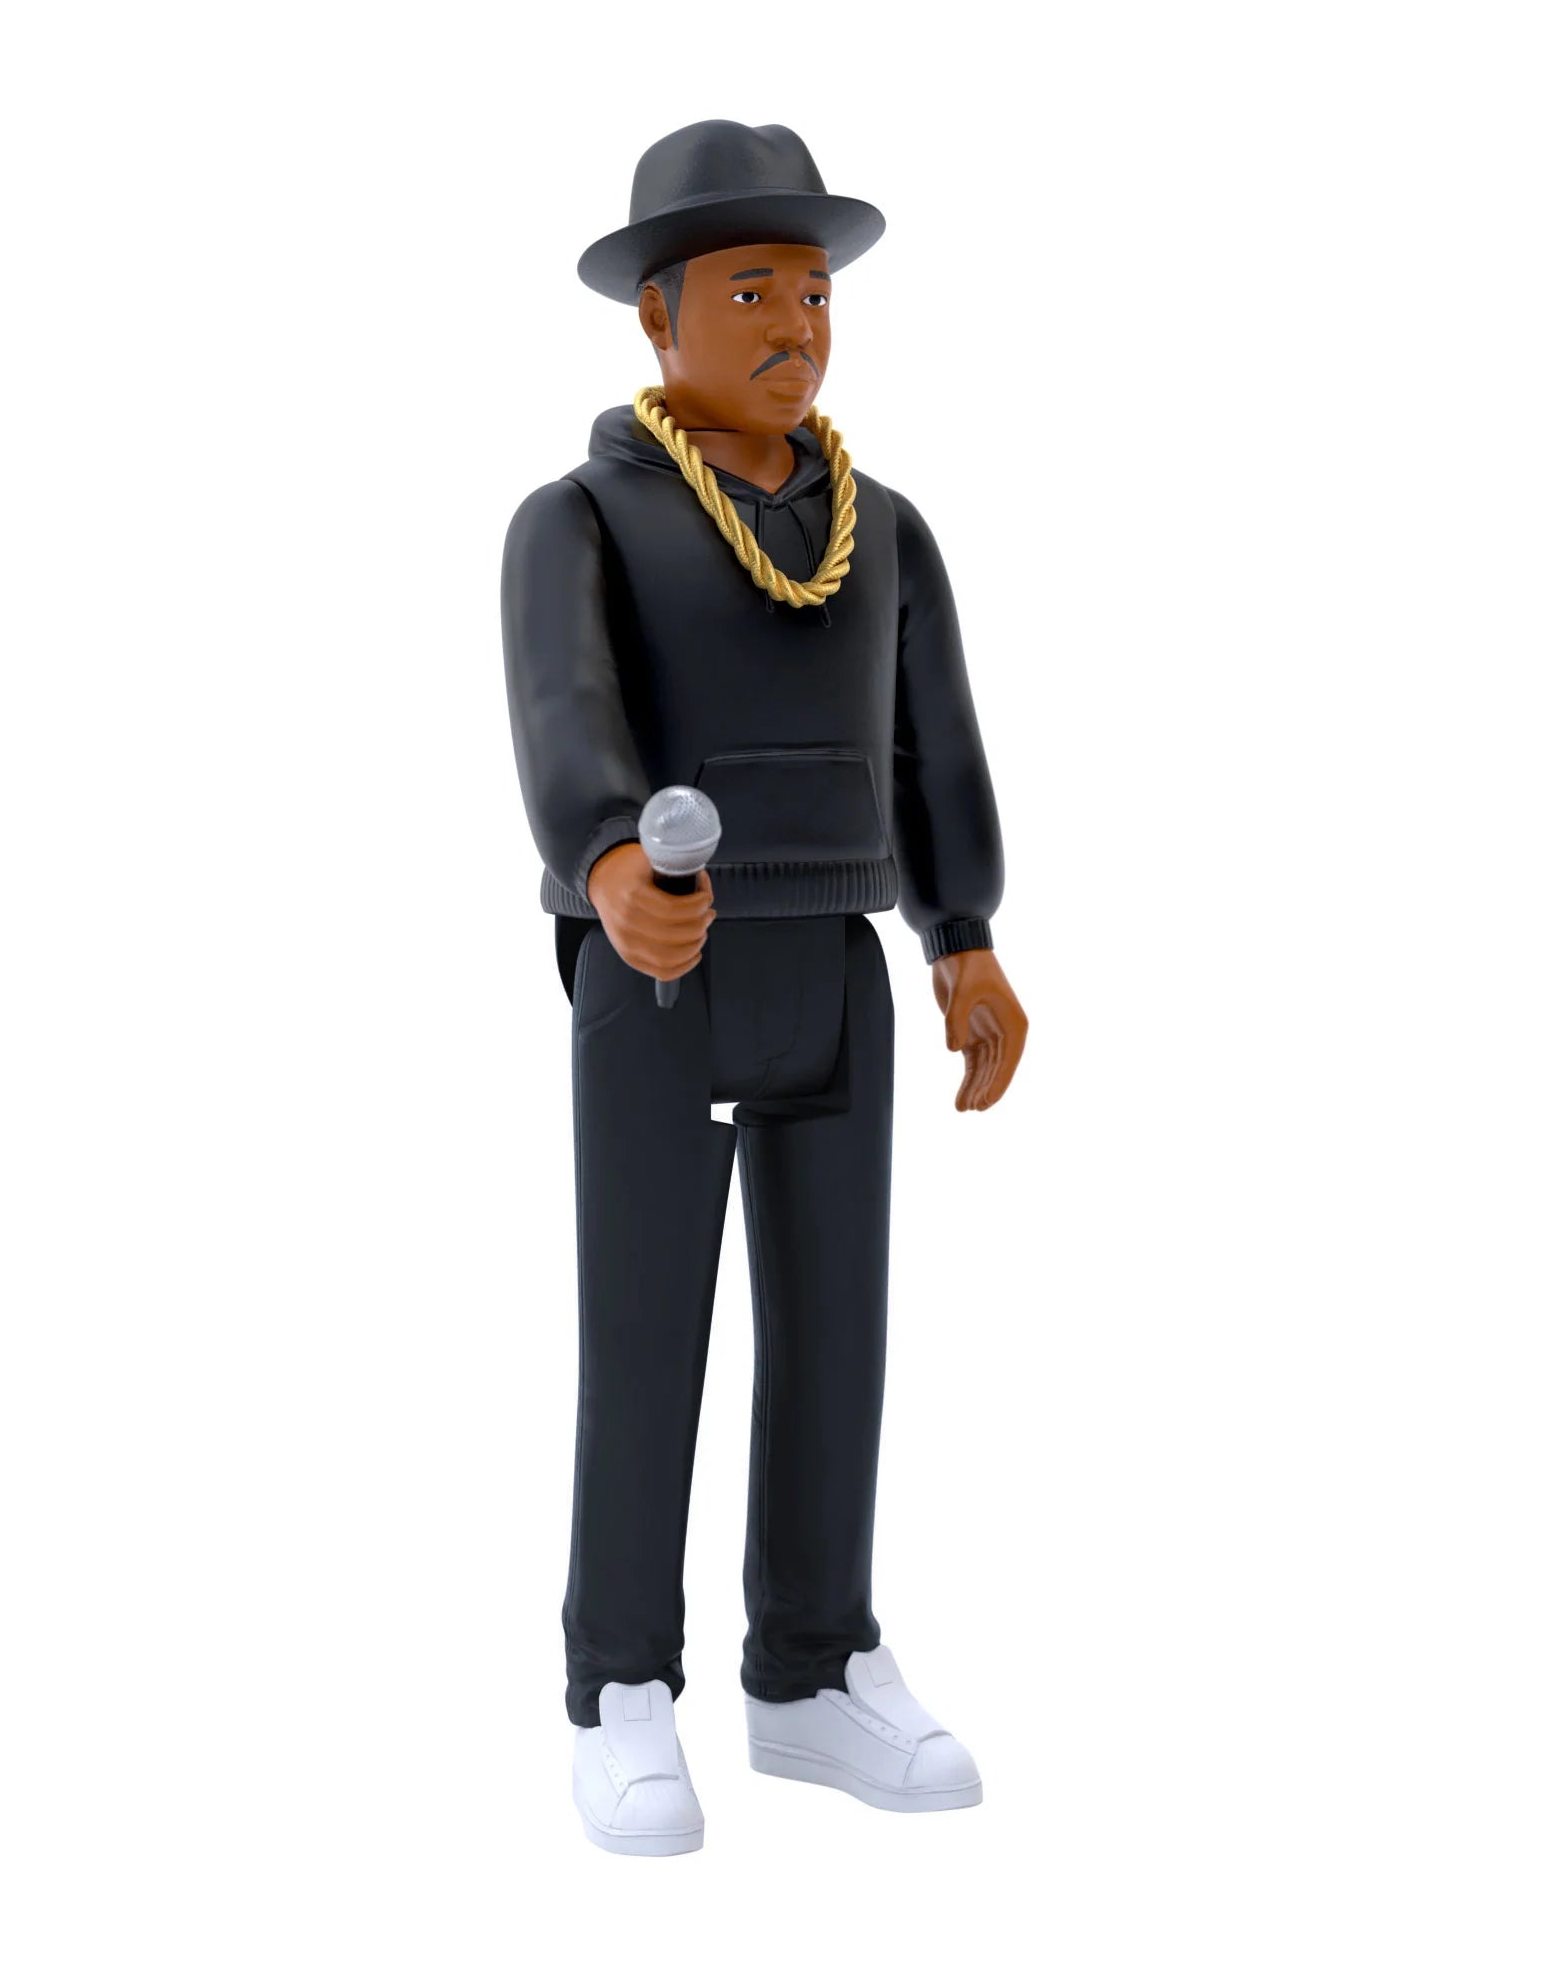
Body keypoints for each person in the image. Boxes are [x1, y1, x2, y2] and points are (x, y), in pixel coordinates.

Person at [501, 120, 1028, 1856]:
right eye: (750, 290)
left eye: (812, 290)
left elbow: (935, 743)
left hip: (837, 968)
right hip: (661, 972)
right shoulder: (580, 522)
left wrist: (964, 936)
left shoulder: (885, 532)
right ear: (657, 317)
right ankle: (619, 1678)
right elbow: (565, 714)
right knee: (645, 1330)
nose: (796, 322)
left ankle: (811, 1662)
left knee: (837, 1331)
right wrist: (607, 862)